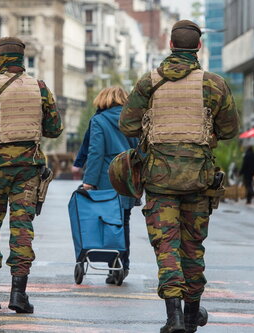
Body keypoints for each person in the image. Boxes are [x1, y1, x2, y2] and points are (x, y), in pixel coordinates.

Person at [120, 20, 239, 333]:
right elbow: (229, 130)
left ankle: (173, 318)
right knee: (193, 246)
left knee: (167, 246)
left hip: (159, 180)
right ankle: (191, 315)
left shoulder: (149, 82)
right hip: (199, 179)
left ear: (171, 45)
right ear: (198, 47)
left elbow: (127, 125)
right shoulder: (213, 84)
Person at [0, 37, 63, 314]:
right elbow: (55, 128)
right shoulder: (40, 87)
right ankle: (19, 295)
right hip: (28, 169)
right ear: (23, 59)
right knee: (22, 231)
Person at [79, 86, 138, 284]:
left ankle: (113, 265)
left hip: (107, 180)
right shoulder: (131, 119)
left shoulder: (99, 120)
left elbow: (96, 152)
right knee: (124, 223)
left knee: (107, 223)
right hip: (128, 178)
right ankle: (123, 265)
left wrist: (89, 182)